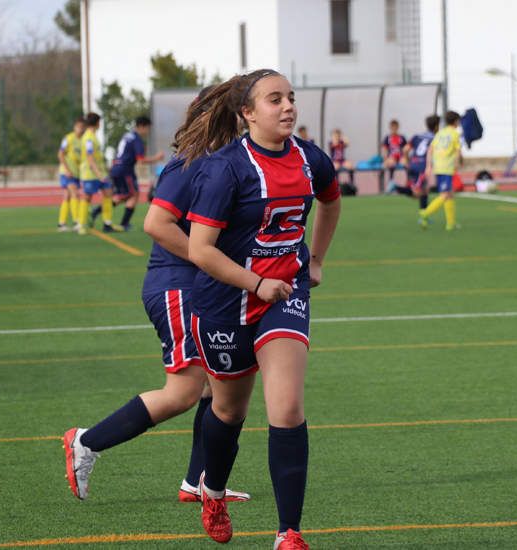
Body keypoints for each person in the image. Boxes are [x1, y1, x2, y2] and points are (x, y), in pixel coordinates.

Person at [63, 88, 250, 507]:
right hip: (175, 286)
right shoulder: (191, 162)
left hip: (196, 286)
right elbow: (155, 223)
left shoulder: (221, 161)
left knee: (213, 388)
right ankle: (86, 441)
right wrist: (208, 259)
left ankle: (197, 483)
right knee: (185, 392)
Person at [183, 69, 341, 549]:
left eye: (291, 97)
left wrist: (313, 260)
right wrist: (255, 282)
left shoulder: (312, 159)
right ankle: (211, 491)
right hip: (224, 303)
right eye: (275, 99)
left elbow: (331, 203)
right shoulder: (225, 168)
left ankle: (288, 534)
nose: (288, 106)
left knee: (287, 407)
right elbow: (201, 250)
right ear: (247, 113)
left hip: (285, 297)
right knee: (228, 411)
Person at [92, 116, 165, 232]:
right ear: (142, 126)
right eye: (147, 129)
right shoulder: (137, 139)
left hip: (117, 167)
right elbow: (141, 160)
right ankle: (123, 223)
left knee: (125, 195)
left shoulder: (127, 136)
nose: (147, 132)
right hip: (125, 170)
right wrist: (157, 158)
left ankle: (98, 212)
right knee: (133, 194)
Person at [420, 110, 462, 231]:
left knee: (449, 194)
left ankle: (450, 224)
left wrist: (429, 166)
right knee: (445, 195)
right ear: (455, 122)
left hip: (438, 167)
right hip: (446, 167)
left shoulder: (440, 133)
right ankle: (425, 213)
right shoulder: (454, 134)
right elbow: (458, 151)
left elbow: (430, 150)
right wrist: (457, 164)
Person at [76, 113, 114, 234]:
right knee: (87, 197)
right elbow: (90, 157)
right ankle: (81, 225)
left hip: (100, 172)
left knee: (108, 193)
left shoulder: (92, 136)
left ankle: (107, 223)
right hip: (90, 173)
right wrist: (99, 174)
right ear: (97, 123)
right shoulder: (88, 137)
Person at [402, 114, 440, 209]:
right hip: (422, 166)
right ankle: (397, 188)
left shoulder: (417, 136)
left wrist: (407, 161)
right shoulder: (435, 138)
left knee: (424, 190)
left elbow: (405, 149)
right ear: (436, 126)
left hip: (413, 163)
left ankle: (424, 215)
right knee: (418, 193)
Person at [56, 117, 85, 232]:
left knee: (67, 196)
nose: (81, 130)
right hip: (67, 172)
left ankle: (61, 223)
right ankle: (76, 220)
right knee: (75, 194)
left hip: (76, 173)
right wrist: (67, 170)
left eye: (83, 128)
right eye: (79, 127)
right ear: (75, 127)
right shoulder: (68, 138)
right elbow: (60, 154)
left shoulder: (82, 140)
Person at [381, 119, 406, 193]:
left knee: (406, 163)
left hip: (400, 157)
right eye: (392, 127)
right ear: (390, 128)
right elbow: (384, 149)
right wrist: (385, 159)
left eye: (395, 127)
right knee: (391, 163)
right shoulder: (387, 138)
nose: (394, 129)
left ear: (398, 127)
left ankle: (409, 183)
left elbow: (405, 149)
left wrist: (406, 158)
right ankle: (391, 182)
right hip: (392, 157)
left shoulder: (402, 137)